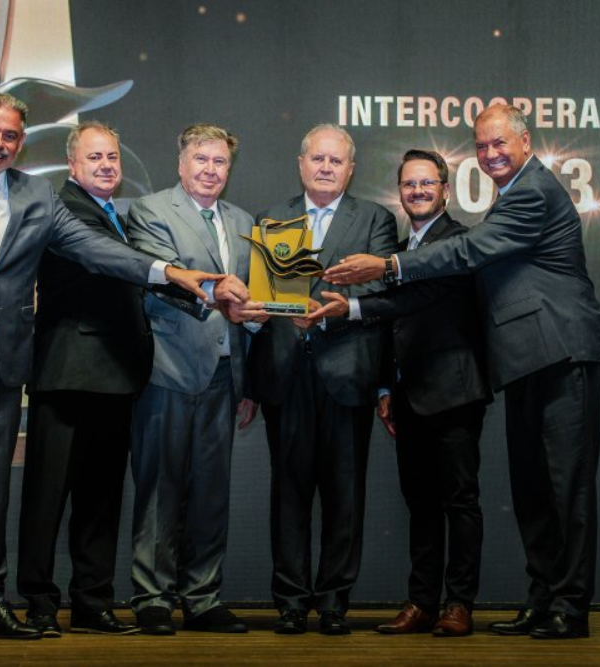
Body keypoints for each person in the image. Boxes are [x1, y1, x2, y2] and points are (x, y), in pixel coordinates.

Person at [0, 93, 219, 645]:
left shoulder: (36, 194)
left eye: (10, 135)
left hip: (4, 367)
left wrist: (167, 272)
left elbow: (92, 247)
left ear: (21, 141)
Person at [320, 105, 600, 639]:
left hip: (564, 352)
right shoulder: (510, 197)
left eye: (500, 143)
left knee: (565, 489)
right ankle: (542, 600)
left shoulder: (534, 191)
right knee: (533, 490)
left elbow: (470, 250)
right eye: (482, 146)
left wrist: (389, 265)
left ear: (526, 142)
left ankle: (570, 608)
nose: (490, 154)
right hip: (527, 361)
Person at [313, 149, 491, 637]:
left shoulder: (458, 242)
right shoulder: (394, 249)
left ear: (445, 190)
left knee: (460, 500)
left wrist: (349, 308)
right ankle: (422, 603)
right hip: (408, 396)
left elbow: (415, 297)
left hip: (455, 392)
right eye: (409, 184)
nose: (418, 191)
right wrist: (385, 386)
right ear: (400, 192)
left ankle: (459, 603)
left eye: (427, 183)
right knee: (420, 502)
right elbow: (393, 329)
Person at [248, 124, 398, 635]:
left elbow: (381, 292)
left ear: (350, 169)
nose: (326, 167)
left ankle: (334, 602)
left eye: (336, 160)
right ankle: (291, 601)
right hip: (285, 374)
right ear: (301, 163)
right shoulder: (272, 219)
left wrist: (334, 311)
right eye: (318, 158)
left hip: (347, 372)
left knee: (344, 495)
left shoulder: (375, 219)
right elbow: (262, 296)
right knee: (288, 494)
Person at [124, 123, 259, 636]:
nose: (210, 170)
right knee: (160, 488)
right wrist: (221, 296)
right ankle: (153, 597)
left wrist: (256, 322)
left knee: (210, 492)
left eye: (219, 161)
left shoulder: (244, 222)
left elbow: (253, 299)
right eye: (201, 159)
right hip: (169, 369)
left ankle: (202, 597)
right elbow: (163, 278)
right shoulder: (151, 210)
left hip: (225, 374)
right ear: (181, 163)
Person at [15, 121, 146, 637]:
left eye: (112, 157)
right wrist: (183, 280)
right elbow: (117, 267)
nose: (106, 165)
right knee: (47, 498)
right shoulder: (60, 208)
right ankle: (39, 604)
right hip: (67, 375)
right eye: (95, 157)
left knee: (101, 499)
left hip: (114, 377)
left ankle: (93, 602)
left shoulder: (119, 216)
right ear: (72, 165)